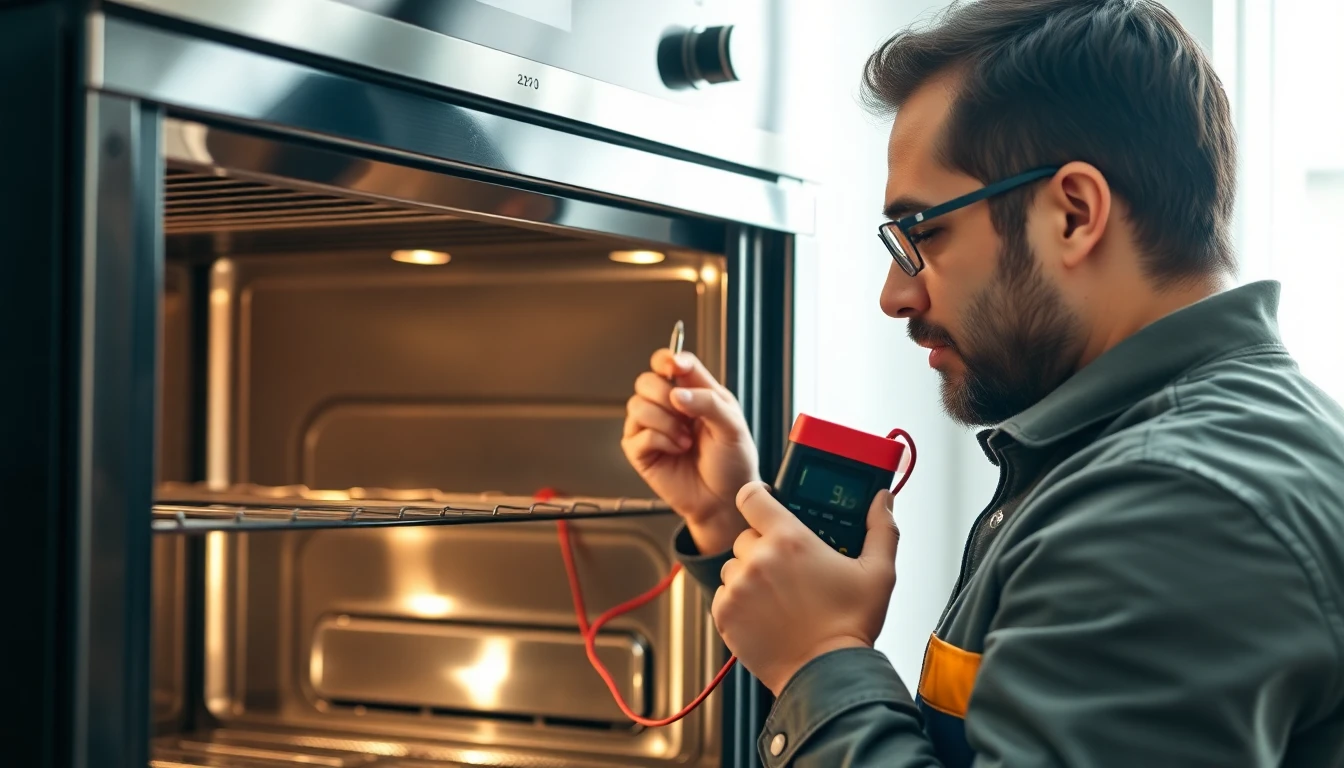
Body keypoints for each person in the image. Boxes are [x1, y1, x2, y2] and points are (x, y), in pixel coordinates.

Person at [621, 0, 1344, 765]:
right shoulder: (1155, 462)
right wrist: (732, 527)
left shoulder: (1173, 508)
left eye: (923, 234)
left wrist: (820, 660)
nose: (895, 297)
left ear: (1072, 214)